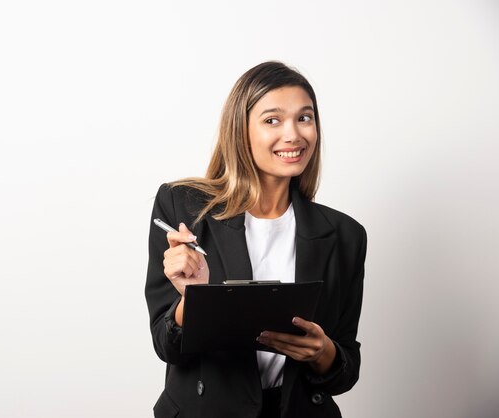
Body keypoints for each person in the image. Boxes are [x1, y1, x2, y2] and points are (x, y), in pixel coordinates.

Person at [144, 61, 367, 418]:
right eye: (272, 120)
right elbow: (165, 344)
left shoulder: (345, 235)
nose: (294, 134)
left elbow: (345, 368)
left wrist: (322, 352)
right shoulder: (183, 206)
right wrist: (194, 297)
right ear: (240, 130)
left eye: (304, 118)